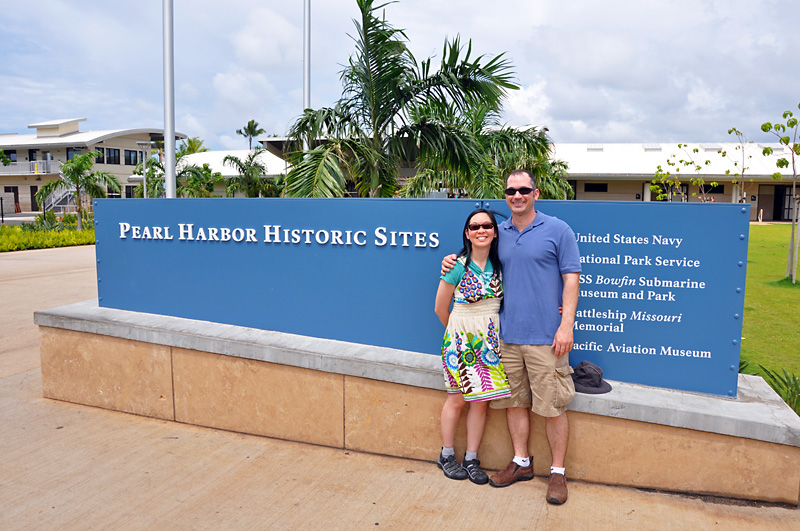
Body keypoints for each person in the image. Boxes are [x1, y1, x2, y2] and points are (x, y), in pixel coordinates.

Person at [442, 170, 581, 504]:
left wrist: (567, 326)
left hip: (547, 338)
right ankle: (522, 462)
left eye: (523, 190)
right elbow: (473, 255)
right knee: (513, 403)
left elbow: (572, 279)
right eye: (510, 190)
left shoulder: (557, 230)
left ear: (535, 193)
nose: (517, 195)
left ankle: (558, 473)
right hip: (504, 338)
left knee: (552, 406)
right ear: (505, 196)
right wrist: (451, 259)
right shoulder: (498, 232)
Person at [434, 208, 512, 485]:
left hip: (490, 342)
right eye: (475, 226)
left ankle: (471, 458)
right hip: (460, 341)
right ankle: (446, 455)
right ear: (467, 233)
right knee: (456, 400)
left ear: (494, 231)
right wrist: (458, 337)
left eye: (487, 226)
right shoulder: (457, 265)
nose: (481, 230)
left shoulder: (502, 266)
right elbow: (441, 308)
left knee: (481, 403)